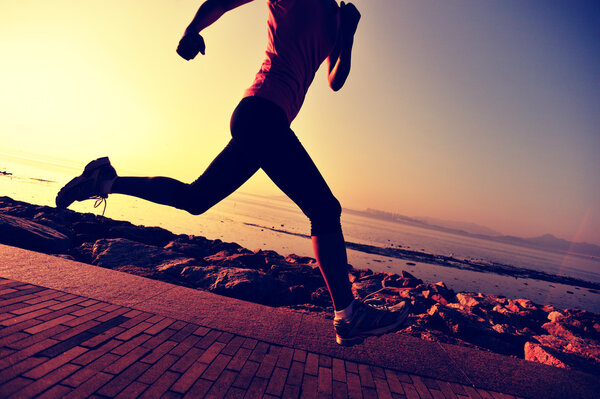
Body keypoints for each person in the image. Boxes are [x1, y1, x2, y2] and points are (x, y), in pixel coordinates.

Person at [56, 0, 410, 346]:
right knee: (324, 209)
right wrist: (192, 29)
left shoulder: (336, 16)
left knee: (196, 199)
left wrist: (347, 33)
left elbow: (335, 80)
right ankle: (348, 315)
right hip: (260, 112)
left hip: (268, 122)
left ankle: (105, 180)